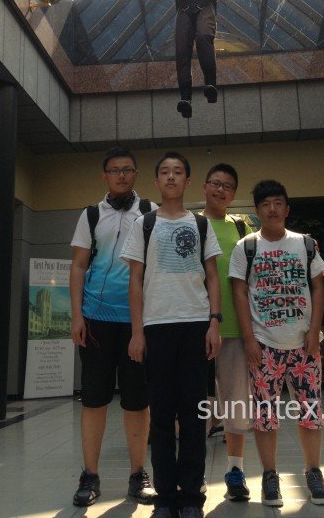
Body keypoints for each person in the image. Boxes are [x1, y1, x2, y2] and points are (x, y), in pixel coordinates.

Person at [122, 151, 222, 518]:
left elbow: (213, 276)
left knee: (194, 415)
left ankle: (191, 495)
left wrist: (214, 322)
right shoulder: (144, 224)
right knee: (162, 414)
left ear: (188, 181)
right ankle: (165, 496)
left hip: (195, 324)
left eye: (178, 172)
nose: (171, 177)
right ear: (156, 180)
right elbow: (135, 279)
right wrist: (137, 331)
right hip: (157, 326)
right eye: (164, 171)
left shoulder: (201, 224)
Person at [230, 180, 324, 507]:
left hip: (304, 347)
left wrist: (314, 332)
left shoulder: (305, 244)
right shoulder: (246, 247)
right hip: (264, 346)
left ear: (286, 209)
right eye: (265, 204)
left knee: (311, 412)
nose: (272, 209)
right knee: (265, 417)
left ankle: (313, 472)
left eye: (277, 203)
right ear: (257, 210)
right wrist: (249, 339)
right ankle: (269, 476)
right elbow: (239, 292)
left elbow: (317, 287)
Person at [69, 147, 157, 507]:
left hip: (138, 323)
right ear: (104, 176)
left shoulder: (150, 213)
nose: (121, 175)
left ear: (135, 174)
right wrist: (77, 316)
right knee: (94, 400)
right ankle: (90, 476)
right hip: (96, 321)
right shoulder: (91, 215)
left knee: (137, 401)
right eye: (115, 170)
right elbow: (78, 266)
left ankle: (138, 475)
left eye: (127, 170)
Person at [201, 163, 253, 502]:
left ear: (233, 194)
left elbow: (269, 247)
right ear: (205, 187)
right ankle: (195, 473)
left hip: (236, 328)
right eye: (216, 183)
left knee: (236, 404)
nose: (221, 190)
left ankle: (235, 471)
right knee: (198, 406)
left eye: (228, 186)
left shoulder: (242, 226)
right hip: (199, 329)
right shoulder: (191, 224)